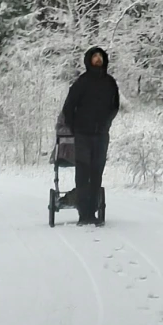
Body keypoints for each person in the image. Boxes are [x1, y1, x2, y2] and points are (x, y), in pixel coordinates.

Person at [56, 46, 120, 225]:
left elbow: (115, 106)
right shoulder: (81, 83)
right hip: (83, 135)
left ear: (104, 59)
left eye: (100, 56)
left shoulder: (110, 83)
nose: (98, 59)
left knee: (97, 172)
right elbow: (68, 107)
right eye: (95, 57)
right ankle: (84, 215)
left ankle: (94, 213)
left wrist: (107, 122)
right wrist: (75, 127)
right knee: (83, 173)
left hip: (101, 134)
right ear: (89, 60)